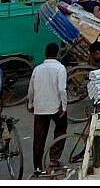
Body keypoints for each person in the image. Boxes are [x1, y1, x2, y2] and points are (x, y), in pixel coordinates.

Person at [28, 43, 68, 172]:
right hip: (55, 106)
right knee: (61, 129)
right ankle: (54, 158)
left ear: (45, 53)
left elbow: (31, 89)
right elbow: (62, 89)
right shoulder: (60, 69)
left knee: (39, 137)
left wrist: (30, 104)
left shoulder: (37, 69)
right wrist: (64, 106)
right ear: (57, 54)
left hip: (40, 107)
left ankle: (38, 167)